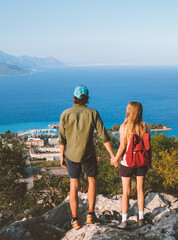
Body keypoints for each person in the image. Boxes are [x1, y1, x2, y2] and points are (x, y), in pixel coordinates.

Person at [59, 85, 115, 230]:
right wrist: (112, 155)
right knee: (92, 181)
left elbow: (61, 138)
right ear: (87, 99)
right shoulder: (93, 113)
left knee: (74, 186)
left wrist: (61, 155)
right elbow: (104, 136)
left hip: (71, 154)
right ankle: (90, 215)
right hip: (88, 154)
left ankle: (75, 220)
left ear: (74, 97)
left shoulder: (65, 113)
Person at [111, 101, 151, 229]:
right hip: (142, 162)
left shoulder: (124, 127)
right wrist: (149, 161)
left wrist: (115, 159)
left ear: (128, 111)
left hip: (127, 163)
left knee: (126, 192)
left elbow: (122, 146)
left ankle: (124, 221)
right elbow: (148, 147)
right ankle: (141, 218)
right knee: (140, 190)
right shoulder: (146, 126)